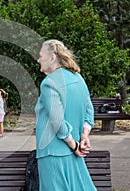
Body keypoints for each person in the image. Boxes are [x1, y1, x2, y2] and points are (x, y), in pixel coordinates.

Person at [35, 39, 96, 190]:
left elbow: (57, 120)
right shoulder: (78, 78)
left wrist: (73, 145)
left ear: (53, 57)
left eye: (41, 55)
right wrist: (84, 136)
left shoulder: (49, 82)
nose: (38, 59)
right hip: (73, 152)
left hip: (52, 152)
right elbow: (89, 110)